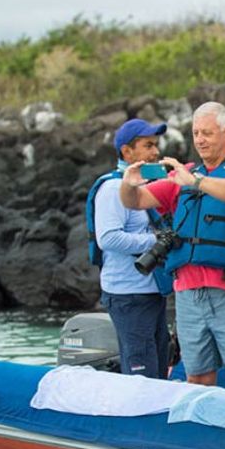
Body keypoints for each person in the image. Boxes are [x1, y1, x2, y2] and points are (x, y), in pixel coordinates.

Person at [119, 102, 225, 397]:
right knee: (198, 379)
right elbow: (135, 201)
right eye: (195, 133)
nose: (200, 139)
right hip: (189, 294)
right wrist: (128, 184)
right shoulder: (183, 175)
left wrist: (197, 181)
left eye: (207, 133)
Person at [85, 118, 172, 379]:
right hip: (129, 295)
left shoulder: (147, 186)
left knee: (158, 366)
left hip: (152, 291)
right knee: (141, 374)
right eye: (148, 145)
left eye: (156, 145)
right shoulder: (113, 188)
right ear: (127, 151)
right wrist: (157, 241)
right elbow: (108, 238)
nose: (155, 152)